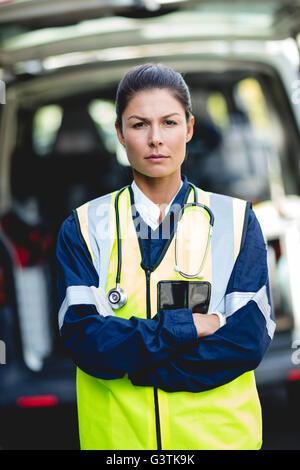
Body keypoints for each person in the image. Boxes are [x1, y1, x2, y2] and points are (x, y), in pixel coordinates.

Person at [56, 63, 275, 451]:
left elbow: (246, 341)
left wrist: (137, 364)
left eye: (169, 123)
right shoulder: (84, 227)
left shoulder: (237, 221)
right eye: (139, 125)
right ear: (120, 135)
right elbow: (85, 340)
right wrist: (183, 329)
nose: (156, 139)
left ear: (189, 129)